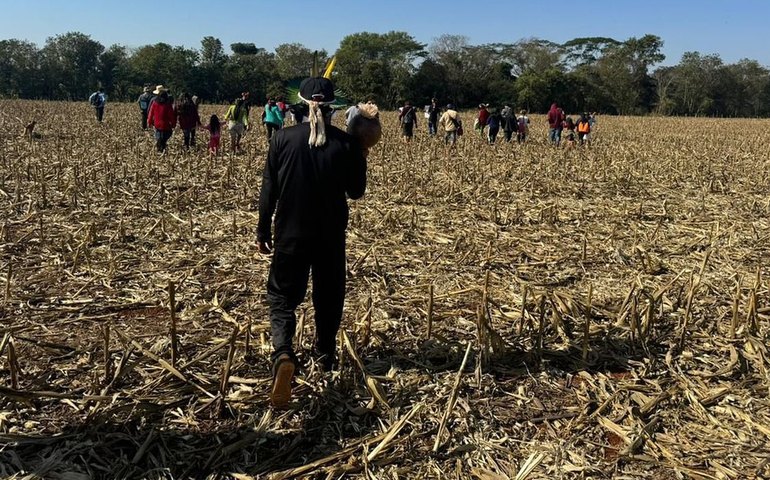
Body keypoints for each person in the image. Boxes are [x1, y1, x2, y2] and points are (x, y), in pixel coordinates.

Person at [257, 76, 368, 408]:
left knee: (281, 295)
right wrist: (361, 148)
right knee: (328, 296)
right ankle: (325, 355)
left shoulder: (282, 139)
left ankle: (284, 353)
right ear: (332, 107)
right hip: (330, 236)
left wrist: (263, 229)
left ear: (301, 104)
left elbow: (268, 190)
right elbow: (356, 192)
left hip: (289, 233)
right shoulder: (345, 144)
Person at [147, 86, 176, 152]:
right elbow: (171, 115)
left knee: (159, 136)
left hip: (157, 124)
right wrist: (173, 124)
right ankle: (162, 147)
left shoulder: (155, 103)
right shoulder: (168, 105)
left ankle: (159, 147)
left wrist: (149, 122)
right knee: (167, 135)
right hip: (166, 125)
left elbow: (151, 114)